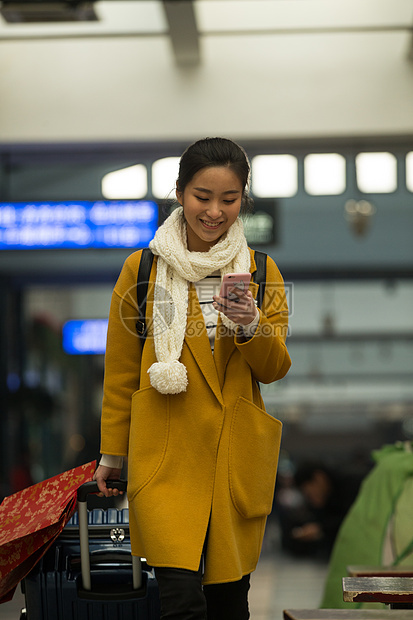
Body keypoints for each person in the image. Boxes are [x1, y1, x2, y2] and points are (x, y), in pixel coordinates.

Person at [93, 137, 291, 619]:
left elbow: (276, 367)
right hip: (164, 455)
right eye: (203, 196)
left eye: (229, 199)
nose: (215, 211)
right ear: (179, 192)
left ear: (244, 198)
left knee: (228, 603)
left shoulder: (262, 272)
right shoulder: (142, 270)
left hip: (231, 457)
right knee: (179, 603)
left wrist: (249, 325)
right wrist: (111, 454)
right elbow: (121, 372)